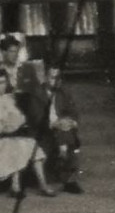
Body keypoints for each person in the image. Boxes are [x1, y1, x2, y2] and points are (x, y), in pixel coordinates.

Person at [0, 69, 56, 198]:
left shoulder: (7, 99)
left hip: (6, 137)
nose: (3, 85)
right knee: (12, 146)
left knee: (32, 144)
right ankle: (15, 187)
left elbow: (19, 116)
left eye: (4, 82)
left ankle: (43, 184)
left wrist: (13, 124)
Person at [25, 65, 84, 194]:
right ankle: (69, 179)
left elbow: (73, 112)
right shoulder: (36, 93)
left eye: (58, 78)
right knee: (66, 135)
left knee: (66, 131)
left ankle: (63, 154)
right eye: (52, 77)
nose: (55, 80)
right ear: (45, 78)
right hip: (43, 131)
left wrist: (70, 122)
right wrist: (55, 124)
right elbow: (36, 118)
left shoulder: (63, 92)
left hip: (61, 130)